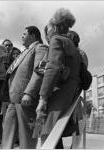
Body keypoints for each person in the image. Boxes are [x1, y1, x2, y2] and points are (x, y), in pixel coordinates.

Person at [35, 8, 82, 149]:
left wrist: (42, 98)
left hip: (58, 94)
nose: (47, 35)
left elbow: (53, 68)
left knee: (47, 135)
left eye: (48, 30)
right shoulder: (72, 45)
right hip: (69, 93)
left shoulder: (56, 40)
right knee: (56, 134)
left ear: (54, 27)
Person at [1, 26, 48, 149]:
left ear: (33, 36)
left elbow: (39, 71)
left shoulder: (40, 48)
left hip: (26, 98)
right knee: (7, 132)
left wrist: (29, 93)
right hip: (13, 98)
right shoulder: (25, 51)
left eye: (24, 34)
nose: (21, 36)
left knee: (26, 135)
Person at [66, 30, 89, 148]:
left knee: (76, 123)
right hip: (68, 92)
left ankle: (74, 147)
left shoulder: (79, 53)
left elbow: (81, 72)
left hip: (73, 92)